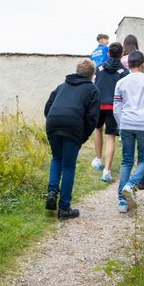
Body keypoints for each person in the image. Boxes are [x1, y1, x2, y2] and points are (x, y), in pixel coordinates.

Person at [45, 59, 100, 219]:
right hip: (73, 125)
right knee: (68, 166)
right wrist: (82, 137)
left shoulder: (62, 86)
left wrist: (53, 122)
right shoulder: (92, 90)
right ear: (92, 75)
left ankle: (52, 191)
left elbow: (48, 107)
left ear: (77, 71)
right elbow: (92, 118)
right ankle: (64, 208)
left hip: (53, 123)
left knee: (56, 158)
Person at [113, 51, 144, 213]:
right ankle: (131, 185)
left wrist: (121, 125)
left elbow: (116, 109)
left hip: (126, 123)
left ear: (129, 65)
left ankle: (122, 202)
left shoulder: (121, 82)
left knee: (126, 161)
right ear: (143, 64)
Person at [91, 42, 129, 181]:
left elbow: (94, 85)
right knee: (111, 137)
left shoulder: (99, 68)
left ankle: (99, 159)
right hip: (114, 107)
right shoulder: (124, 72)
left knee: (98, 130)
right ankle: (106, 171)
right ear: (121, 55)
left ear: (108, 53)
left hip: (99, 106)